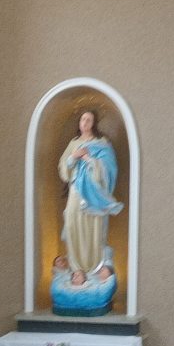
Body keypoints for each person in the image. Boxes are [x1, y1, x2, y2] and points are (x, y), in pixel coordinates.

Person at [58, 107, 123, 287]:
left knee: (94, 226)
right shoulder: (73, 143)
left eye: (89, 120)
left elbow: (110, 168)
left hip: (94, 193)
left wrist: (89, 160)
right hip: (76, 191)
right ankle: (77, 269)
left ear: (94, 123)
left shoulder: (101, 143)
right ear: (79, 123)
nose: (85, 123)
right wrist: (73, 157)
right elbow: (64, 168)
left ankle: (95, 269)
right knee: (72, 222)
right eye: (83, 119)